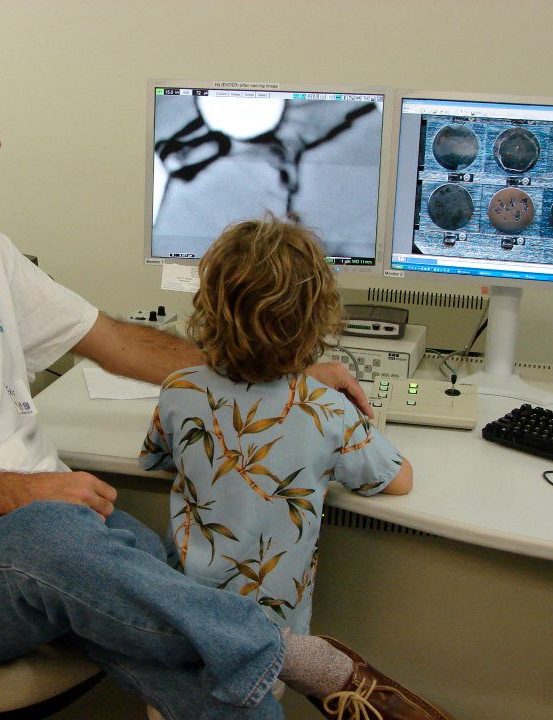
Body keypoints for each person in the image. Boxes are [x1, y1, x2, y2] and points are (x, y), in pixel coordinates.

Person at [0, 25, 452, 720]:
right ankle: (304, 658)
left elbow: (114, 341)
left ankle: (275, 666)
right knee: (67, 544)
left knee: (189, 643)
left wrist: (268, 367)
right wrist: (20, 492)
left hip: (58, 539)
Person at [139, 214, 412, 636]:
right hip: (272, 635)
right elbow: (399, 480)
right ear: (314, 322)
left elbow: (154, 458)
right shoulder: (326, 410)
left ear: (210, 308)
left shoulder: (179, 390)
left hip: (186, 619)